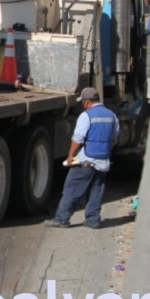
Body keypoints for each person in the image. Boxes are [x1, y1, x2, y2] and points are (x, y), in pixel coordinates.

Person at [45, 87, 120, 229]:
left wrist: (70, 155)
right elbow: (115, 136)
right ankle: (93, 220)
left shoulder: (87, 116)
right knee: (96, 190)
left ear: (86, 102)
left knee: (72, 188)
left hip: (86, 160)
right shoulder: (112, 115)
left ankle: (62, 219)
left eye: (82, 102)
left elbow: (78, 138)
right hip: (103, 160)